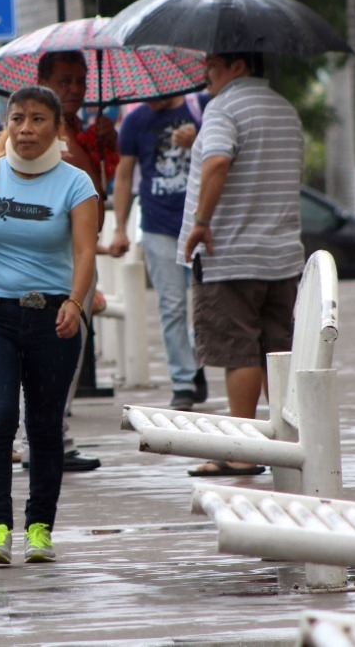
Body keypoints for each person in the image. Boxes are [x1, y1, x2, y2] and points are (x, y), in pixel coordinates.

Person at [0, 86, 98, 565]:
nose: (26, 129)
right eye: (17, 119)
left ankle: (39, 529)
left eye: (37, 119)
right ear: (7, 123)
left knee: (44, 426)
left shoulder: (76, 184)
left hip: (53, 314)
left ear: (56, 127)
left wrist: (76, 303)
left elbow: (84, 251)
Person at [179, 52, 305, 477]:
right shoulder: (285, 109)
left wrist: (200, 222)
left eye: (212, 65)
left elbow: (217, 160)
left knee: (240, 352)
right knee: (278, 352)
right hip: (282, 254)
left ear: (237, 65)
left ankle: (244, 451)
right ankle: (288, 443)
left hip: (229, 253)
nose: (205, 74)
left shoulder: (224, 108)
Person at [32, 50, 112, 472]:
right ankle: (46, 442)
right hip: (53, 260)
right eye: (64, 81)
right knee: (54, 349)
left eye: (81, 81)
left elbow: (97, 193)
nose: (75, 90)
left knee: (69, 350)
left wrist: (102, 143)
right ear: (43, 79)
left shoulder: (78, 130)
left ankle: (54, 436)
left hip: (79, 252)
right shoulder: (40, 132)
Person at [109, 93, 211, 410]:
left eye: (153, 94)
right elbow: (124, 176)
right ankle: (183, 382)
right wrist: (120, 227)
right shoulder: (136, 121)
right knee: (172, 306)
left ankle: (195, 360)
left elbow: (227, 158)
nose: (146, 99)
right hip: (158, 226)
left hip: (203, 222)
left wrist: (199, 139)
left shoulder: (202, 109)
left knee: (208, 308)